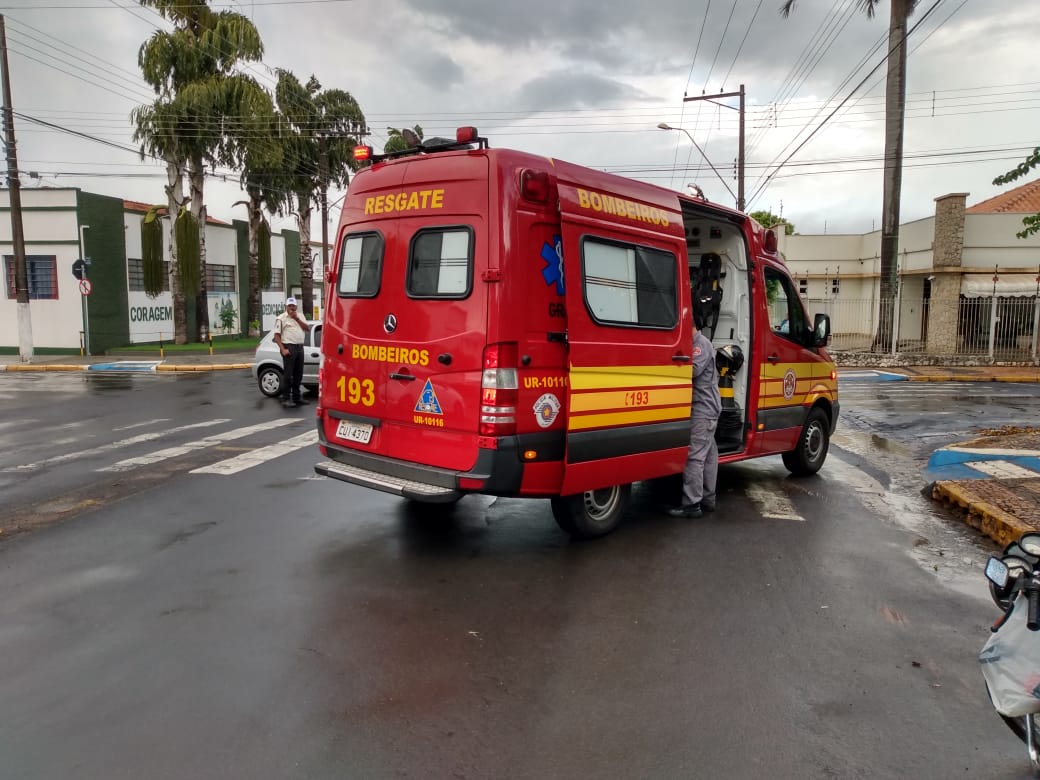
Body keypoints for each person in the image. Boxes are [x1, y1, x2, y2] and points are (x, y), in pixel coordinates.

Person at [669, 298, 722, 518]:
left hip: (703, 409)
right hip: (707, 408)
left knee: (695, 457)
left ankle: (691, 505)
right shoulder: (697, 344)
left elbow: (691, 371)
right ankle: (708, 499)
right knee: (709, 456)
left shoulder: (700, 344)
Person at [273, 296, 310, 408]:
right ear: (286, 306)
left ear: (296, 307)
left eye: (293, 306)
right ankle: (286, 398)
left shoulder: (300, 316)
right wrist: (283, 349)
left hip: (299, 347)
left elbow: (306, 328)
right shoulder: (281, 318)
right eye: (289, 306)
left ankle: (296, 397)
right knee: (288, 375)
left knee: (298, 374)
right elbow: (277, 336)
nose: (291, 308)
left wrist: (296, 318)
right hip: (289, 347)